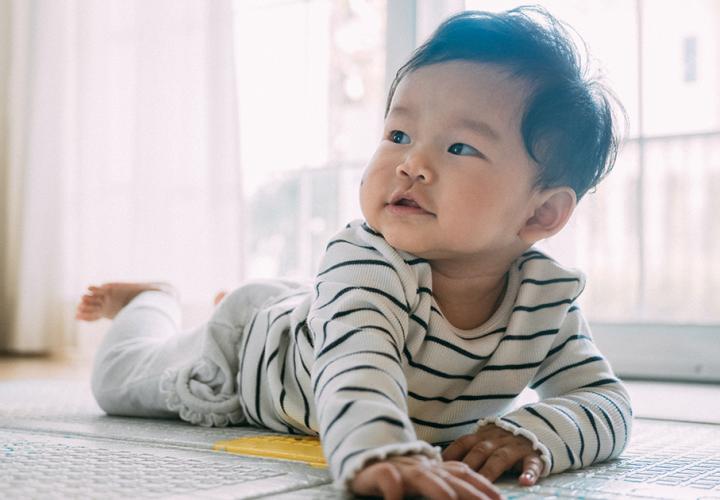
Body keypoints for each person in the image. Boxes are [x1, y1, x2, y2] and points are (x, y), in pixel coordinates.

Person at [76, 6, 632, 500]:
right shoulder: (365, 259)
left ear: (541, 214)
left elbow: (606, 402)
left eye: (460, 147)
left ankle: (290, 301)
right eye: (398, 135)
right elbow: (356, 366)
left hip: (321, 310)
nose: (412, 164)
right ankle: (152, 302)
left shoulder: (544, 299)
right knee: (117, 382)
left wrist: (535, 431)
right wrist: (382, 449)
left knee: (328, 308)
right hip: (248, 352)